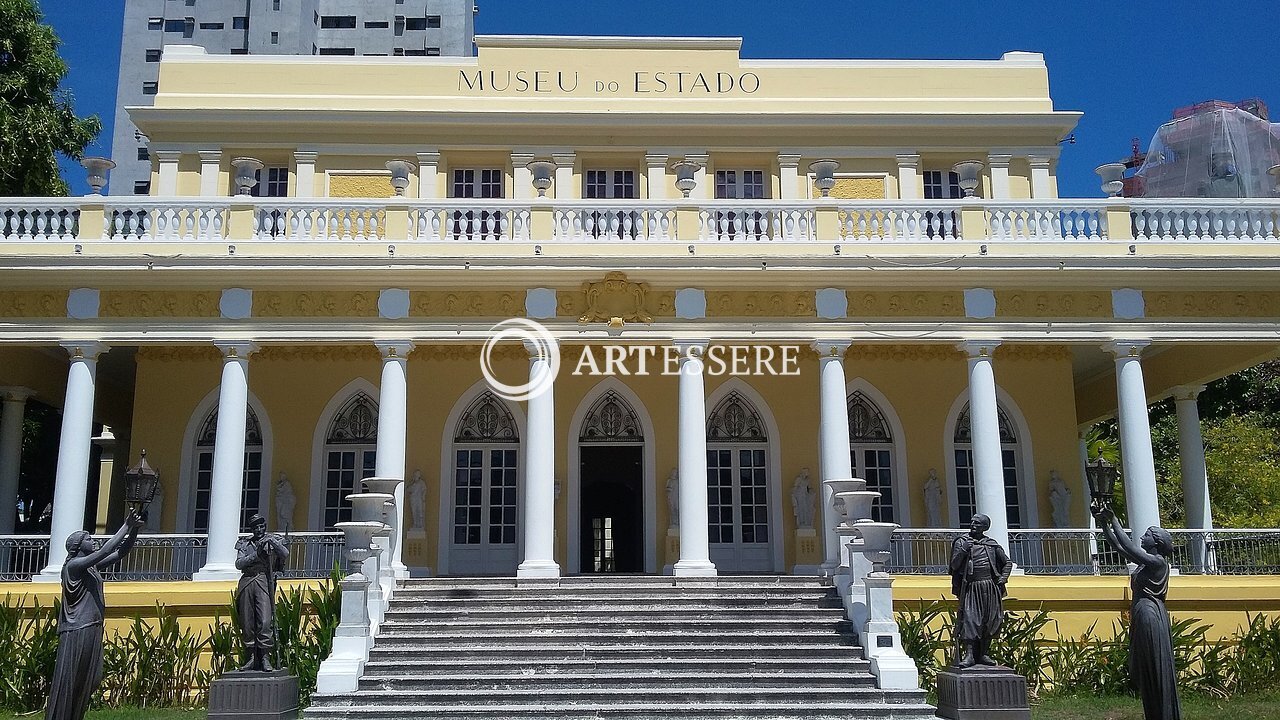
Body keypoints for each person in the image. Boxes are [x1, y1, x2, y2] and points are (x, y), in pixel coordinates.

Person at [47, 511, 144, 720]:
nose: (93, 541)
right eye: (89, 539)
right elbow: (104, 551)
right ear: (78, 546)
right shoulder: (73, 567)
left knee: (91, 679)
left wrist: (134, 531)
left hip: (92, 626)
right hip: (77, 629)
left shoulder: (90, 568)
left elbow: (119, 553)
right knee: (71, 681)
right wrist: (125, 526)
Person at [1093, 502, 1181, 720]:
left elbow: (1130, 547)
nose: (1142, 539)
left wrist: (1114, 520)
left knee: (1154, 666)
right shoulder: (1146, 563)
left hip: (1151, 615)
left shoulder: (1157, 563)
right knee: (1147, 669)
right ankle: (1153, 712)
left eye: (1146, 536)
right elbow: (1121, 548)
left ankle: (1163, 714)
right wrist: (1104, 525)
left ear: (1156, 542)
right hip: (1143, 613)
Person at [948, 513, 1012, 668]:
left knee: (990, 619)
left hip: (990, 586)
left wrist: (1003, 578)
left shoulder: (991, 544)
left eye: (977, 523)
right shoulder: (962, 542)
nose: (972, 525)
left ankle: (984, 653)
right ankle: (969, 655)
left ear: (985, 527)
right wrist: (963, 550)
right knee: (970, 619)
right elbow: (954, 566)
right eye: (971, 522)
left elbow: (1007, 563)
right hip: (972, 585)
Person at [234, 514, 289, 672]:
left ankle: (265, 657)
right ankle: (251, 657)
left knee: (264, 620)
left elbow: (284, 554)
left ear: (265, 527)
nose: (259, 530)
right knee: (247, 622)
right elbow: (239, 563)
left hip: (264, 580)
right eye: (255, 527)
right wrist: (256, 554)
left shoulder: (272, 540)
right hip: (247, 581)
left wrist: (272, 542)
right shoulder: (245, 543)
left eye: (261, 527)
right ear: (252, 529)